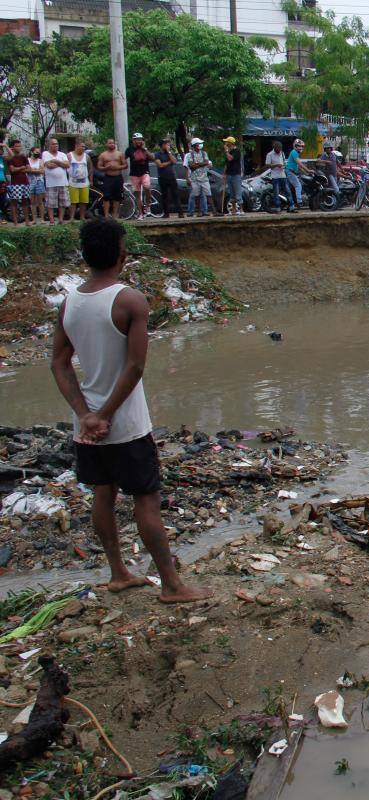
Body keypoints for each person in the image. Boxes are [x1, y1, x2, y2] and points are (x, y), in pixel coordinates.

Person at [51, 218, 213, 604]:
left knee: (102, 496)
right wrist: (106, 414)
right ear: (122, 255)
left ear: (85, 256)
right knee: (146, 500)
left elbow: (59, 363)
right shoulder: (129, 300)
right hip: (125, 424)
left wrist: (86, 414)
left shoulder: (70, 302)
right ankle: (172, 585)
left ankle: (118, 573)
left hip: (87, 425)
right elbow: (135, 366)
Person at [95, 139, 127, 219]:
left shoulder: (120, 154)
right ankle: (106, 216)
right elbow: (99, 166)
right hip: (108, 177)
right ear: (106, 144)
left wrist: (118, 167)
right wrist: (106, 168)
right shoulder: (103, 155)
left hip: (118, 177)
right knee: (106, 197)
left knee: (117, 197)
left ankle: (115, 215)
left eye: (113, 143)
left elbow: (125, 165)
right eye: (110, 143)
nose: (112, 144)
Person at [152, 139, 182, 219]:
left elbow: (174, 161)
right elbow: (160, 165)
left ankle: (180, 212)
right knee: (165, 196)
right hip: (162, 177)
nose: (168, 146)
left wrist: (169, 153)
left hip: (172, 177)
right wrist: (169, 163)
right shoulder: (157, 154)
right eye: (166, 145)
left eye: (168, 145)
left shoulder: (169, 154)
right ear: (162, 145)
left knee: (175, 195)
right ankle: (166, 213)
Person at [42, 138, 70, 224]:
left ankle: (61, 219)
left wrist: (56, 161)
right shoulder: (45, 153)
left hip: (63, 182)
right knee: (50, 203)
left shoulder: (62, 154)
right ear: (49, 145)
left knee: (62, 202)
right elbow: (49, 165)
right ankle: (52, 220)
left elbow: (67, 165)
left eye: (57, 144)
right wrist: (61, 164)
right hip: (51, 183)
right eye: (53, 144)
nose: (56, 145)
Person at [4, 140, 32, 225]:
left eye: (20, 146)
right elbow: (12, 170)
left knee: (25, 202)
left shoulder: (23, 157)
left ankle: (27, 221)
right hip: (15, 183)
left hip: (25, 182)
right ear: (12, 147)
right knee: (14, 202)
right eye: (17, 146)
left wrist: (19, 168)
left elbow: (29, 169)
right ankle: (15, 222)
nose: (19, 147)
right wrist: (22, 167)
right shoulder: (10, 158)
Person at [124, 133, 152, 218]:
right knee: (137, 194)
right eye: (137, 139)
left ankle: (148, 205)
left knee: (147, 186)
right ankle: (140, 213)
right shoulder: (129, 150)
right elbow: (123, 158)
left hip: (144, 172)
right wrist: (123, 164)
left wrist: (145, 149)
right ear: (134, 140)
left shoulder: (144, 149)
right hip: (134, 174)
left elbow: (152, 157)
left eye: (141, 139)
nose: (139, 141)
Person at [183, 138, 213, 217]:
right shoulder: (188, 155)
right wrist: (187, 179)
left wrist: (197, 164)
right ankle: (191, 211)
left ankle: (204, 211)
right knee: (194, 195)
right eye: (199, 144)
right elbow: (189, 166)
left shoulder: (204, 153)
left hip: (203, 177)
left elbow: (207, 163)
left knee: (204, 195)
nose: (200, 145)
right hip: (193, 178)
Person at [67, 140, 91, 221]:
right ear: (76, 146)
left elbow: (90, 168)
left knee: (83, 201)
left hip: (84, 183)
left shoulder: (86, 156)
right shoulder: (69, 155)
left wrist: (91, 180)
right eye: (82, 146)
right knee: (73, 201)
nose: (83, 148)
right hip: (73, 183)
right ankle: (72, 217)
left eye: (84, 147)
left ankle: (82, 217)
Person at [284, 138, 309, 212]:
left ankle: (291, 206)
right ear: (295, 146)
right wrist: (308, 170)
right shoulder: (294, 152)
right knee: (298, 185)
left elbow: (298, 167)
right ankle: (299, 202)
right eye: (298, 146)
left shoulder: (296, 153)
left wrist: (307, 173)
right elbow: (299, 163)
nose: (300, 147)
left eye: (301, 146)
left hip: (292, 172)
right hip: (290, 172)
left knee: (292, 190)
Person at [221, 136, 243, 216]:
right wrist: (224, 174)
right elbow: (227, 164)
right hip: (229, 174)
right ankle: (233, 210)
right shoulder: (229, 152)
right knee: (232, 193)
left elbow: (230, 159)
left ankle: (241, 209)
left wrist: (226, 152)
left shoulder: (236, 151)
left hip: (236, 174)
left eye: (227, 142)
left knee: (238, 192)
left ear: (231, 143)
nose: (225, 144)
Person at [264, 140, 287, 213]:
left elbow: (284, 163)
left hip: (283, 175)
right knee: (276, 192)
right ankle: (277, 207)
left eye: (280, 149)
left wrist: (284, 166)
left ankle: (291, 205)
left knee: (287, 191)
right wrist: (276, 165)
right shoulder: (269, 154)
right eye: (278, 149)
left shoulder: (282, 153)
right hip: (275, 176)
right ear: (275, 148)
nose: (279, 150)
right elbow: (267, 165)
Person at [26, 144, 46, 224]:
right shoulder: (27, 160)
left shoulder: (41, 161)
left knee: (40, 202)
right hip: (30, 182)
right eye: (36, 152)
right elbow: (26, 170)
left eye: (39, 152)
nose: (38, 153)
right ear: (31, 152)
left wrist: (31, 170)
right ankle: (34, 219)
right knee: (32, 202)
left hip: (39, 182)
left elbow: (42, 171)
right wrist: (36, 170)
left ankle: (42, 219)